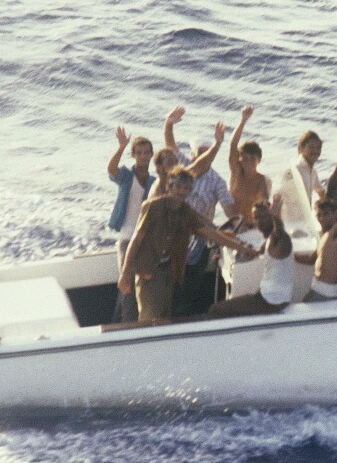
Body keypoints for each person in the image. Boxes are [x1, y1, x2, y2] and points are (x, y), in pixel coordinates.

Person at [117, 167, 259, 323]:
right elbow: (136, 239)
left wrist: (243, 249)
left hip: (170, 271)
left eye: (186, 188)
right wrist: (125, 273)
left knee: (164, 317)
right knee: (149, 319)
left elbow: (211, 234)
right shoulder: (152, 206)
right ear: (169, 187)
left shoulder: (186, 211)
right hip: (149, 272)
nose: (181, 191)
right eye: (178, 187)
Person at [164, 105, 239, 316]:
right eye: (199, 154)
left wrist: (237, 226)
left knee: (191, 282)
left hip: (201, 236)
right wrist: (169, 123)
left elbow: (230, 209)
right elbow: (169, 145)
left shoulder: (217, 181)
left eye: (207, 154)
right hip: (176, 232)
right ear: (193, 154)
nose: (202, 158)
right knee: (171, 280)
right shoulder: (184, 166)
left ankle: (184, 313)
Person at [107, 128, 154, 322]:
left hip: (145, 241)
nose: (143, 157)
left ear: (152, 154)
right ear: (133, 155)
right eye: (139, 153)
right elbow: (111, 170)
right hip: (127, 239)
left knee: (143, 286)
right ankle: (126, 326)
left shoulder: (154, 182)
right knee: (126, 285)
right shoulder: (126, 176)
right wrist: (121, 147)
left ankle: (124, 322)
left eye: (146, 153)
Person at [207, 215, 294, 317]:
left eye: (257, 218)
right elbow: (258, 251)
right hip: (267, 296)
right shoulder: (271, 240)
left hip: (271, 301)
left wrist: (274, 215)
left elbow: (280, 239)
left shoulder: (282, 242)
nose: (254, 222)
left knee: (215, 310)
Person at [228, 105, 272, 224]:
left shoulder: (261, 180)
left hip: (251, 227)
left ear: (259, 160)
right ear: (240, 159)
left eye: (253, 158)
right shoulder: (236, 171)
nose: (248, 161)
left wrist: (265, 203)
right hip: (232, 223)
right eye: (245, 158)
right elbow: (233, 144)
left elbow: (264, 200)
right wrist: (243, 120)